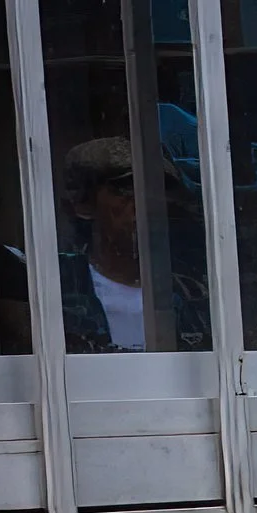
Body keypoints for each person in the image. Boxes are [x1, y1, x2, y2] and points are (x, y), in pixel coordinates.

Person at [59, 137, 210, 353]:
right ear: (84, 204)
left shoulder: (194, 297)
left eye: (157, 191)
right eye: (125, 190)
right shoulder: (57, 296)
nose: (144, 205)